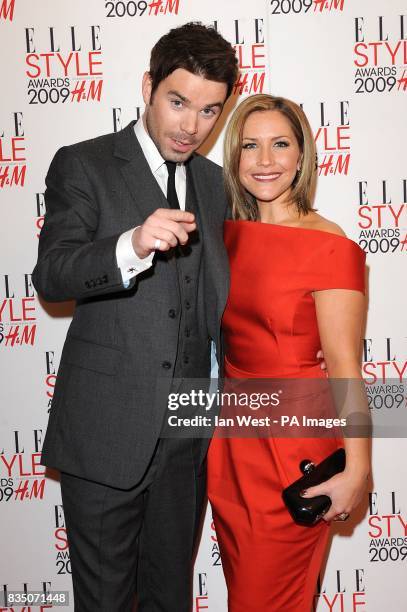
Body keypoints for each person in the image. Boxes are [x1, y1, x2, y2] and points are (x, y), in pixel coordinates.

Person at [32, 22, 238, 612]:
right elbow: (53, 275)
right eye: (177, 102)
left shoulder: (215, 183)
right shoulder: (85, 164)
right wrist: (131, 245)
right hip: (105, 439)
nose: (191, 126)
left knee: (170, 599)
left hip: (187, 442)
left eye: (208, 110)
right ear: (148, 86)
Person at [207, 94, 371, 612]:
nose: (265, 160)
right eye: (250, 146)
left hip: (293, 453)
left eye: (281, 144)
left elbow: (345, 367)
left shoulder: (329, 245)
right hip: (231, 449)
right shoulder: (226, 237)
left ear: (302, 156)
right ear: (234, 157)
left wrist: (358, 471)